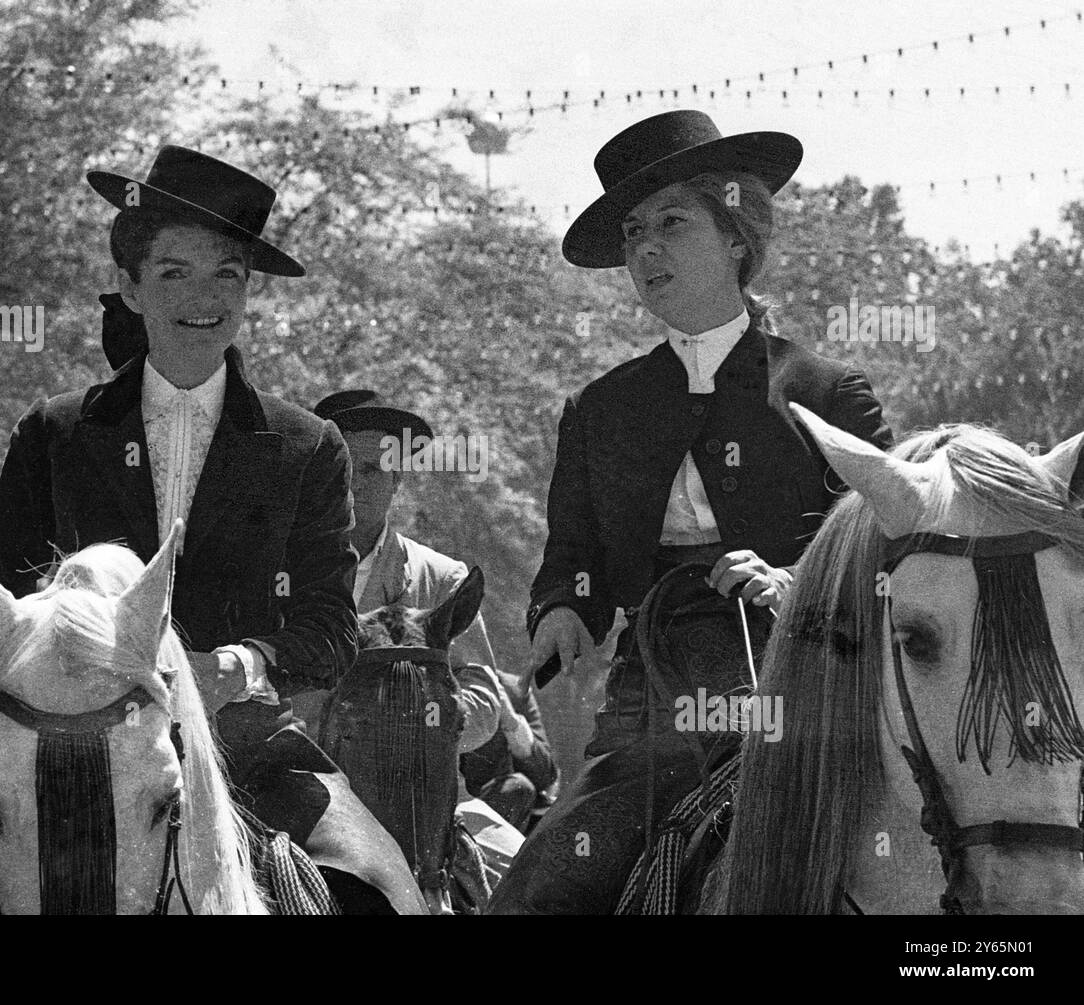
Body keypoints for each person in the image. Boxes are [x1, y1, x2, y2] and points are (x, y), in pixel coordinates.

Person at [0, 147, 423, 913]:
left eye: (226, 274)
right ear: (131, 288)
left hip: (248, 755)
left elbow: (332, 625)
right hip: (65, 756)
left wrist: (237, 664)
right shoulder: (54, 434)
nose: (204, 297)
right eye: (174, 272)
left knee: (380, 894)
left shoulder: (307, 446)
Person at [488, 110, 893, 914]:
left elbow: (894, 555)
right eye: (634, 231)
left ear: (737, 235)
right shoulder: (600, 410)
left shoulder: (828, 391)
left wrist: (791, 581)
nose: (645, 249)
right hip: (651, 717)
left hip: (814, 706)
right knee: (537, 890)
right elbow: (572, 560)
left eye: (672, 222)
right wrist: (562, 611)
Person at [305, 390, 525, 890]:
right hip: (309, 788)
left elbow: (485, 699)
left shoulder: (442, 577)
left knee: (534, 877)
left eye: (374, 471)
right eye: (343, 469)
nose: (356, 486)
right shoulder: (275, 570)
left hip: (427, 793)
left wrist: (423, 723)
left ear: (398, 479)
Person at [459, 668, 558, 833]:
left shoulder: (513, 689)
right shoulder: (428, 683)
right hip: (439, 807)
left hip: (490, 811)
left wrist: (510, 719)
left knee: (518, 787)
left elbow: (545, 776)